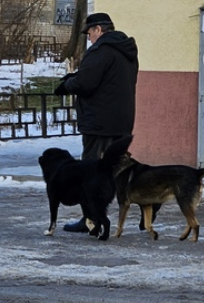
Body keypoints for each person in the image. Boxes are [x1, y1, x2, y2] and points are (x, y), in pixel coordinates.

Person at [54, 12, 141, 232]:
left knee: (91, 171)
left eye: (90, 33)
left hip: (99, 122)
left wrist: (67, 84)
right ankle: (120, 215)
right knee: (115, 170)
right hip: (121, 121)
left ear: (99, 30)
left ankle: (91, 220)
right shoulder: (128, 51)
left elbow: (86, 82)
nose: (89, 38)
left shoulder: (101, 51)